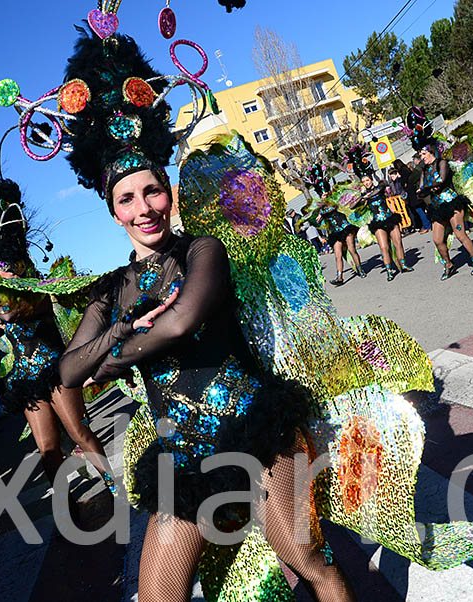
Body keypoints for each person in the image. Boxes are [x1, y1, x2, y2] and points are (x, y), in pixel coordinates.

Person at [57, 30, 355, 602]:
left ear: (169, 191)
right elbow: (68, 374)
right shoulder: (107, 293)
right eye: (127, 199)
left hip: (255, 432)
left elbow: (180, 323)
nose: (144, 208)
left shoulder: (202, 252)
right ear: (112, 209)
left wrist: (110, 358)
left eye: (153, 192)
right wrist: (122, 331)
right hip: (183, 455)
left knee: (310, 561)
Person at [0, 178, 116, 505]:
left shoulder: (34, 284)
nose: (3, 272)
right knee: (47, 447)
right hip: (25, 376)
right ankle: (66, 507)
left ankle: (116, 488)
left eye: (6, 269)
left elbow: (13, 314)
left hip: (55, 366)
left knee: (79, 432)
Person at [417, 141, 473, 280]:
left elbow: (441, 179)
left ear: (431, 152)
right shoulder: (424, 170)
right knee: (437, 239)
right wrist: (423, 190)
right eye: (420, 155)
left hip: (452, 203)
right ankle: (448, 264)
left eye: (424, 154)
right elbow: (420, 192)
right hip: (437, 207)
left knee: (460, 234)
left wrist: (425, 188)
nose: (422, 157)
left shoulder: (442, 163)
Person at [359, 174, 412, 280]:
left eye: (368, 180)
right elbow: (352, 206)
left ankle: (403, 265)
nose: (366, 183)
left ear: (371, 180)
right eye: (364, 181)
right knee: (384, 247)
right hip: (378, 223)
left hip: (390, 218)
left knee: (398, 242)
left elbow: (381, 186)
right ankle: (389, 270)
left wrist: (366, 196)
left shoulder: (379, 187)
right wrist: (361, 197)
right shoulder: (364, 195)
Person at [316, 201, 364, 285]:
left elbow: (332, 208)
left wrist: (321, 213)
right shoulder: (321, 210)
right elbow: (318, 222)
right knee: (338, 256)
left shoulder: (333, 202)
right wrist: (319, 216)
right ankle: (339, 277)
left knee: (352, 250)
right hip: (335, 233)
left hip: (345, 228)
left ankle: (360, 270)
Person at [394, 158, 430, 233]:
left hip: (411, 194)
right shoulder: (407, 169)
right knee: (422, 209)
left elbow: (404, 183)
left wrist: (399, 178)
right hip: (414, 191)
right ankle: (428, 224)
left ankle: (427, 225)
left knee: (419, 210)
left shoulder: (402, 172)